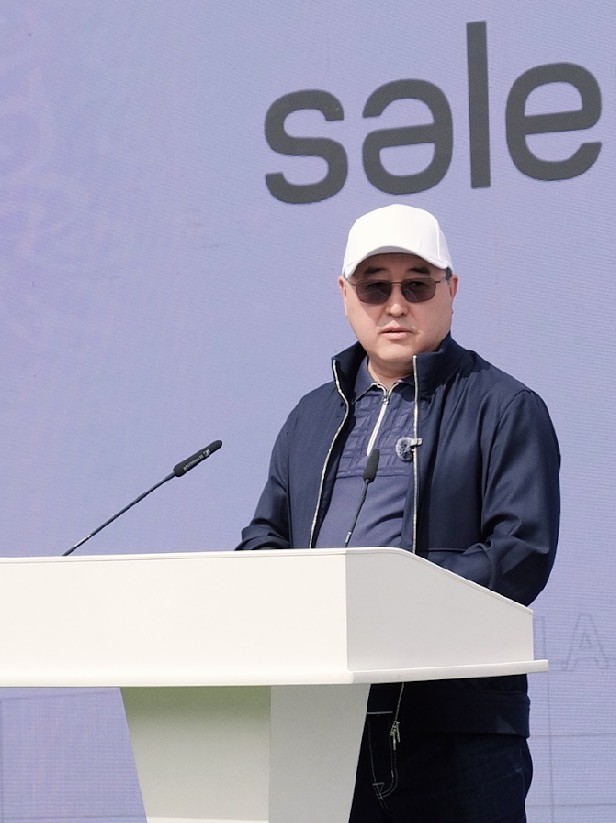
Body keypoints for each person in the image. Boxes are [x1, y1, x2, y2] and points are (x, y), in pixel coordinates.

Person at [237, 203, 560, 822]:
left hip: (455, 733)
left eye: (416, 285)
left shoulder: (505, 407)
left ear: (451, 290)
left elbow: (519, 556)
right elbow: (264, 538)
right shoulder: (310, 416)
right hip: (320, 726)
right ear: (344, 294)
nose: (395, 305)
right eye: (374, 287)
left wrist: (386, 599)